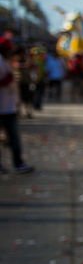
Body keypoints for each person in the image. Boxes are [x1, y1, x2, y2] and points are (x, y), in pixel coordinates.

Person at [0, 37, 34, 174]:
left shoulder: (5, 61)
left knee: (12, 138)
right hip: (3, 108)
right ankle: (18, 164)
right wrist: (6, 81)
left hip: (8, 106)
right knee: (13, 138)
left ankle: (18, 163)